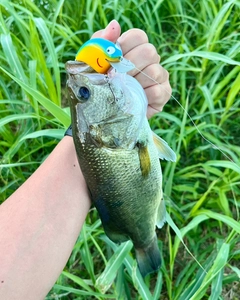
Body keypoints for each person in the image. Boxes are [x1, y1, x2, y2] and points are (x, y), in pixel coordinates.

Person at [0, 20, 171, 300]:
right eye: (84, 93)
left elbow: (94, 143)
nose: (81, 82)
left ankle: (145, 244)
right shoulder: (116, 136)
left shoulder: (113, 135)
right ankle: (146, 245)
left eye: (82, 93)